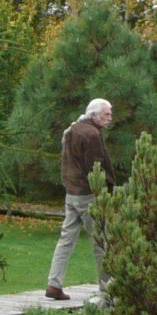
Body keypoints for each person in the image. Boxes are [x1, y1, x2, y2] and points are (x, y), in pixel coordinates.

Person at [46, 97, 113, 301]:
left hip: (71, 192)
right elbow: (96, 167)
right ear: (94, 115)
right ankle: (107, 290)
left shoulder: (73, 129)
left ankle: (54, 284)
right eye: (107, 114)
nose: (110, 118)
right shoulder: (91, 134)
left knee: (66, 239)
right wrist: (106, 190)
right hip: (88, 194)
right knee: (101, 242)